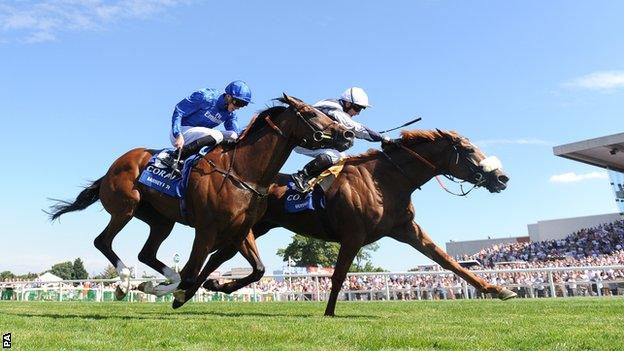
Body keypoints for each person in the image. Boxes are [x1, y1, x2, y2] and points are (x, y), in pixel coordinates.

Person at [291, 87, 389, 192]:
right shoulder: (335, 110)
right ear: (347, 104)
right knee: (335, 155)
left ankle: (314, 181)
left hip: (309, 140)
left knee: (341, 156)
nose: (358, 113)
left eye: (361, 109)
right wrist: (381, 137)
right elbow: (356, 128)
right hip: (302, 141)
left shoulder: (333, 106)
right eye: (357, 108)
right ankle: (302, 176)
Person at [166, 80, 252, 172]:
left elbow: (237, 135)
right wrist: (178, 134)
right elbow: (179, 111)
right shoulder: (205, 97)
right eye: (238, 102)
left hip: (197, 137)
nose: (238, 107)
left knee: (233, 136)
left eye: (243, 105)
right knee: (217, 135)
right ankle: (174, 157)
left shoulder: (230, 114)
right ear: (228, 96)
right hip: (181, 133)